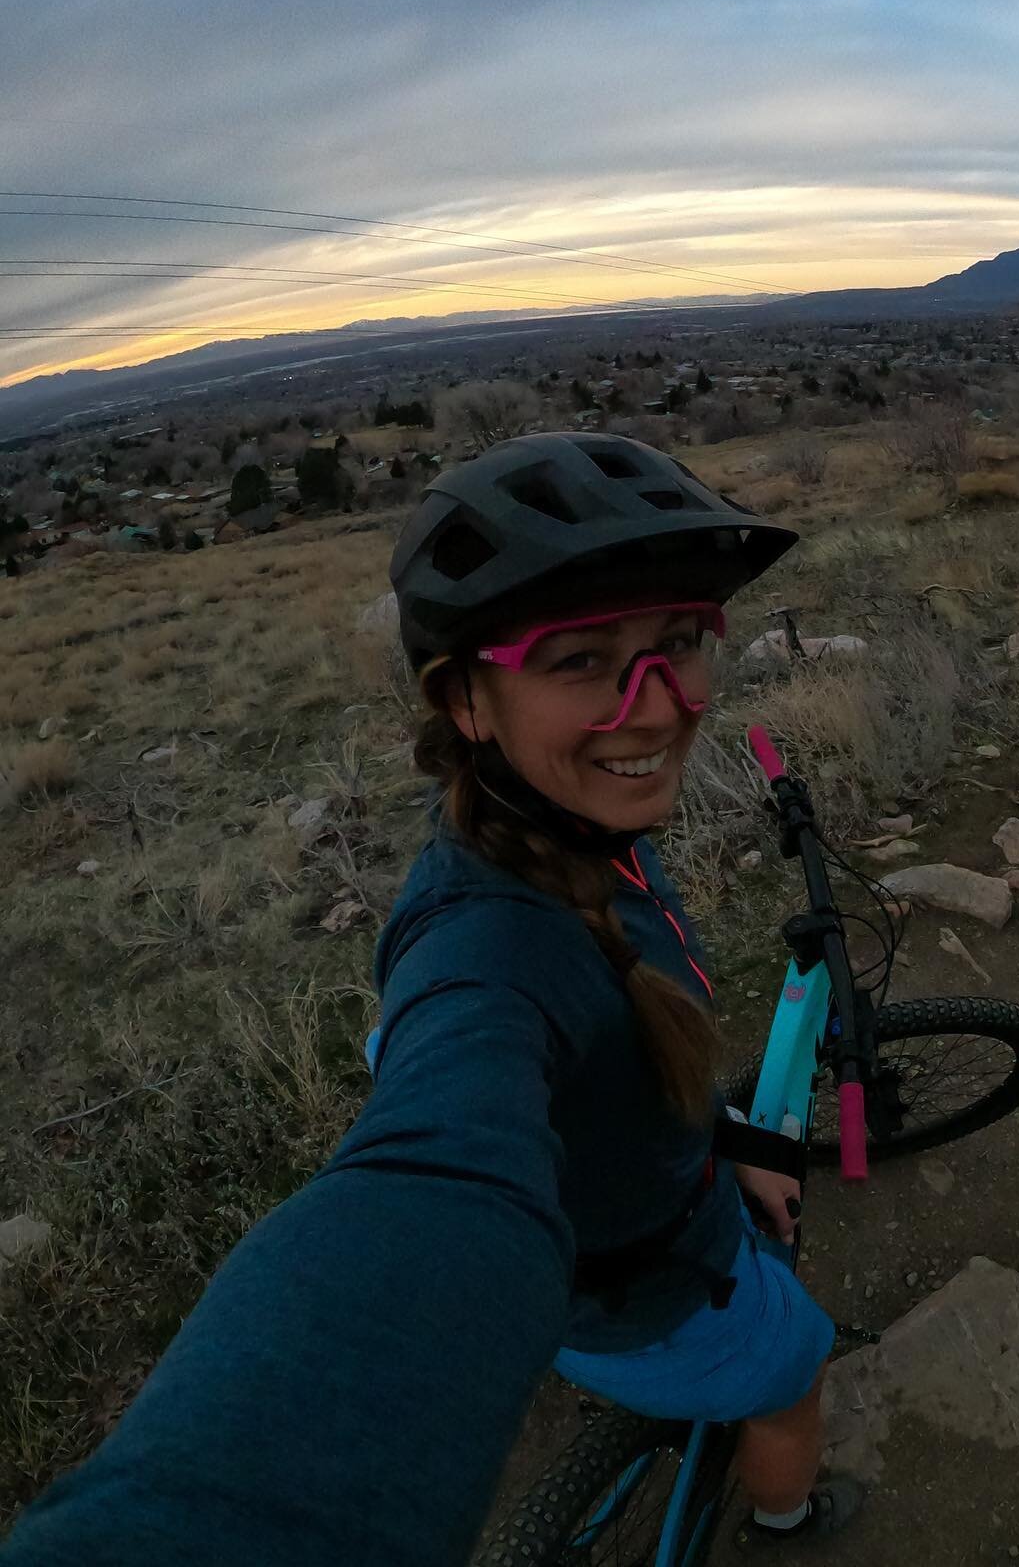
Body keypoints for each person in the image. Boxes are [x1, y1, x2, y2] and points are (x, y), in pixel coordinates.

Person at [3, 432, 863, 1565]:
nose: (658, 709)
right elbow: (431, 1180)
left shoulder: (545, 826)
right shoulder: (484, 954)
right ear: (464, 698)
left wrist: (727, 1141)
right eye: (580, 659)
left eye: (678, 645)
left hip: (644, 1239)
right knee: (796, 1369)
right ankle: (795, 1519)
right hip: (652, 1297)